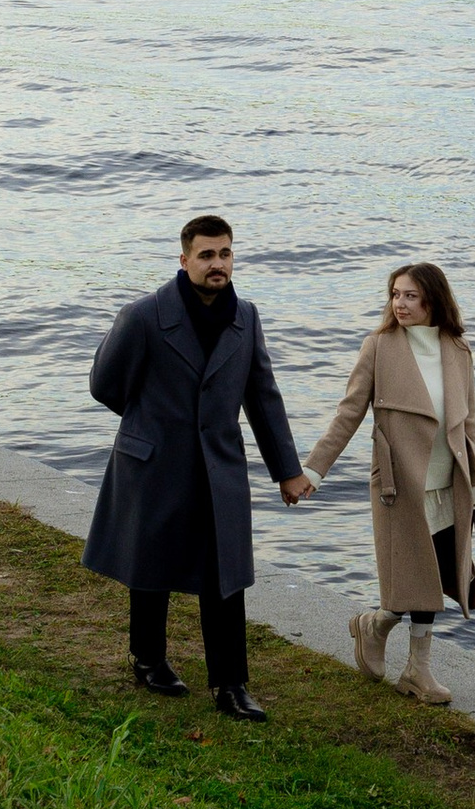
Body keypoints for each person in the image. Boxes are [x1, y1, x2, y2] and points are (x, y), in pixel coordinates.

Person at [83, 214, 311, 719]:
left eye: (225, 254)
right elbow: (104, 384)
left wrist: (287, 471)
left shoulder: (245, 317)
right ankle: (148, 659)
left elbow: (263, 397)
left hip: (220, 466)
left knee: (224, 575)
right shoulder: (143, 316)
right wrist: (148, 423)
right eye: (206, 255)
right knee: (151, 566)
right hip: (154, 461)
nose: (217, 264)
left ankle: (230, 685)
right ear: (184, 259)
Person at [304, 262, 475, 705]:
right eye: (395, 295)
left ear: (433, 300)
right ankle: (416, 669)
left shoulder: (457, 349)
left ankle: (383, 633)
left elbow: (470, 424)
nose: (400, 304)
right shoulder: (380, 347)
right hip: (399, 483)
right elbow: (348, 414)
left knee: (435, 574)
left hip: (451, 482)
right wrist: (313, 470)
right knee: (416, 576)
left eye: (410, 295)